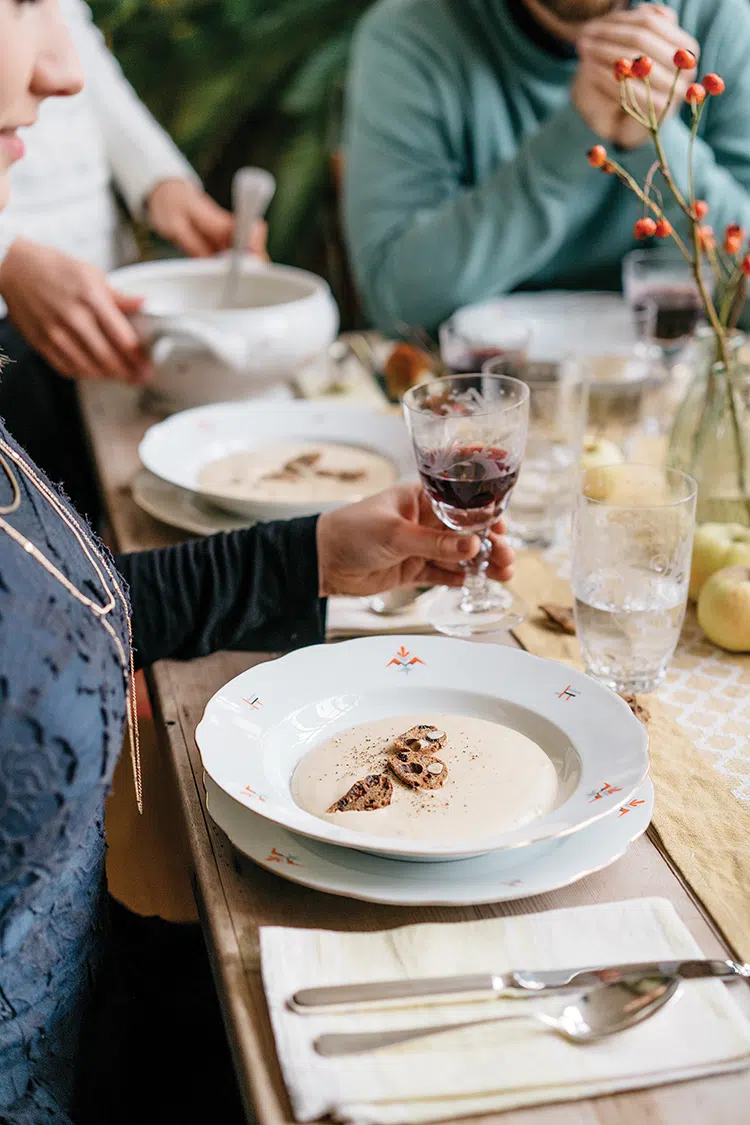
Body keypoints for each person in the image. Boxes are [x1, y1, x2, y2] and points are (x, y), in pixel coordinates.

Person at [0, 4, 514, 1120]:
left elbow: (48, 613)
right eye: (22, 4)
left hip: (123, 1017)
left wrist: (312, 556)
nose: (64, 69)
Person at [0, 0, 265, 525]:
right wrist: (6, 256)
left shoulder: (60, 52)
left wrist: (162, 184)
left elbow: (84, 55)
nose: (65, 76)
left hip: (105, 287)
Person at [343, 0, 750, 334]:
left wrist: (656, 135)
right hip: (481, 400)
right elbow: (396, 300)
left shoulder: (719, 18)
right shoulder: (413, 35)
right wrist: (577, 131)